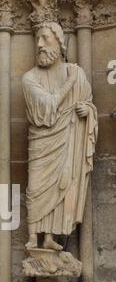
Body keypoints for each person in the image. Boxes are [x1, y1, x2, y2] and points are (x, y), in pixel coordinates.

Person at [22, 22, 98, 251]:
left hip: (68, 141)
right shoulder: (30, 77)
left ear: (59, 42)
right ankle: (33, 237)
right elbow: (47, 105)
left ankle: (48, 238)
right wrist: (69, 83)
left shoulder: (76, 73)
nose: (39, 45)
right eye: (37, 40)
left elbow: (87, 102)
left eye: (45, 38)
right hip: (42, 140)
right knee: (36, 187)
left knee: (62, 185)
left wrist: (89, 113)